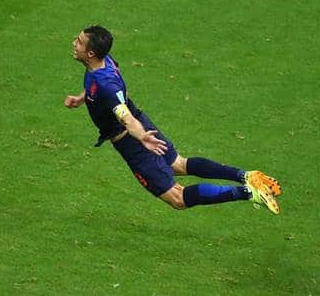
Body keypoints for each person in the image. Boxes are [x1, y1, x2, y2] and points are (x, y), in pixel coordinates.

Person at [64, 25, 282, 214]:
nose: (75, 43)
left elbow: (125, 116)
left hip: (133, 139)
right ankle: (246, 176)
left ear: (91, 53)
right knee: (178, 163)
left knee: (177, 198)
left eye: (80, 42)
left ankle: (249, 193)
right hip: (142, 122)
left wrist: (142, 138)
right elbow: (106, 91)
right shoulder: (105, 63)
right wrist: (83, 98)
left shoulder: (104, 84)